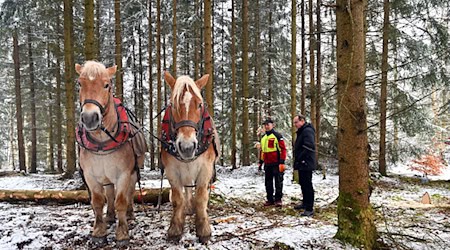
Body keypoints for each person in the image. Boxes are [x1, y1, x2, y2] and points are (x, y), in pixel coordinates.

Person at [259, 118, 287, 207]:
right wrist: (260, 162)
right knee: (268, 182)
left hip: (277, 163)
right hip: (267, 164)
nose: (266, 126)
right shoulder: (263, 138)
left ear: (272, 125)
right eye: (265, 125)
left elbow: (283, 149)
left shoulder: (277, 136)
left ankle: (278, 199)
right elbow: (262, 151)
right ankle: (270, 199)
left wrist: (282, 162)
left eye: (268, 124)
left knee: (278, 182)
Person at [293, 115, 316, 217]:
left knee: (307, 184)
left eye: (296, 122)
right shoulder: (302, 131)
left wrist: (301, 158)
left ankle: (309, 208)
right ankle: (305, 202)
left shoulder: (307, 131)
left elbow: (309, 146)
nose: (295, 125)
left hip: (306, 162)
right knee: (303, 183)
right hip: (302, 162)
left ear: (302, 121)